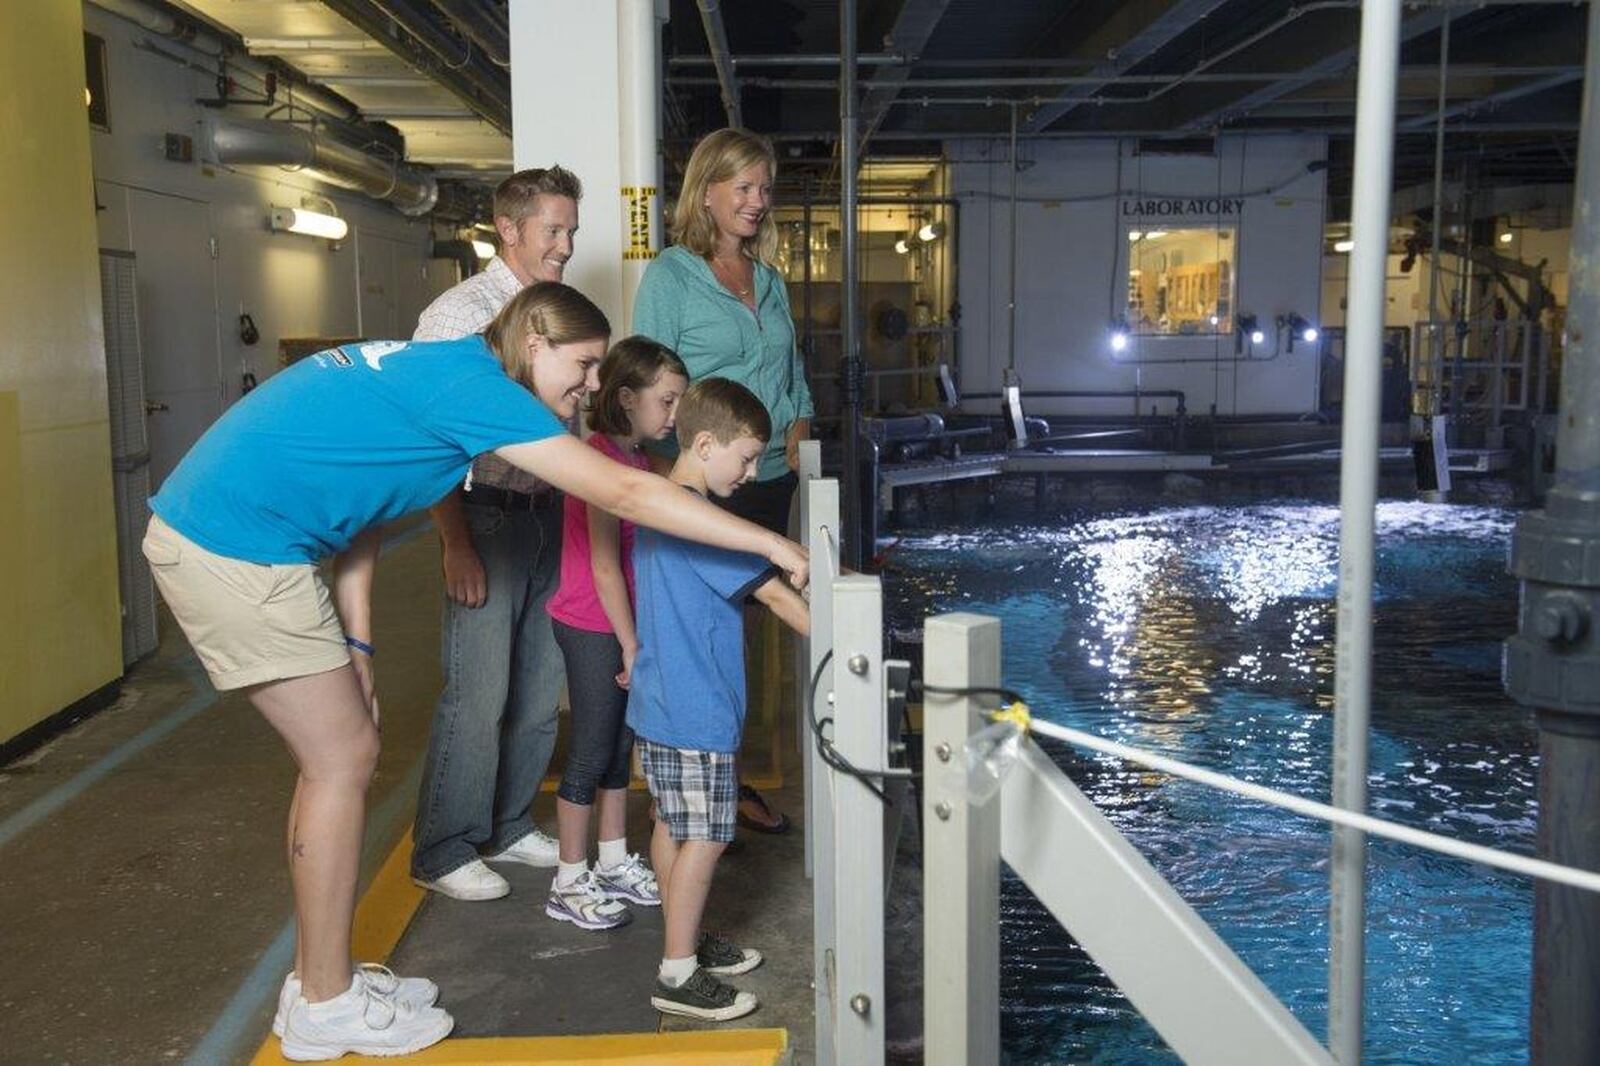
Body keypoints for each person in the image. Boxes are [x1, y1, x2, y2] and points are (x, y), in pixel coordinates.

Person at [142, 283, 806, 1060]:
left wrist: (358, 650)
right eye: (585, 365)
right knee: (342, 761)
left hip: (241, 534)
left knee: (337, 756)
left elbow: (359, 516)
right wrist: (766, 543)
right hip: (235, 544)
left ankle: (319, 981)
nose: (593, 387)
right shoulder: (479, 391)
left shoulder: (443, 370)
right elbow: (625, 490)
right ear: (534, 346)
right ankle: (326, 1001)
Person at [410, 166, 584, 902]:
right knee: (478, 693)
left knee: (540, 688)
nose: (567, 246)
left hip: (552, 515)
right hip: (485, 517)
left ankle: (510, 825)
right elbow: (433, 440)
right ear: (509, 229)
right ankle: (445, 847)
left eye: (572, 231)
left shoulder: (563, 310)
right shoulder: (458, 316)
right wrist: (455, 541)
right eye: (554, 231)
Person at [632, 127, 814, 835]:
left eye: (764, 188)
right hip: (707, 481)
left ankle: (730, 778)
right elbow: (649, 379)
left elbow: (792, 374)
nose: (757, 201)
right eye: (743, 187)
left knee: (753, 630)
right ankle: (708, 790)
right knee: (712, 628)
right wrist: (664, 477)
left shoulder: (769, 280)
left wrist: (799, 426)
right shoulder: (672, 276)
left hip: (767, 474)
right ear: (706, 192)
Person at [626, 378, 811, 1021]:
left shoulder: (666, 505)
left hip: (661, 701)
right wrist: (857, 627)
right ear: (705, 443)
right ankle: (677, 974)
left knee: (671, 827)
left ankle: (684, 937)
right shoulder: (706, 525)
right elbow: (781, 599)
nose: (754, 471)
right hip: (697, 707)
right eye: (748, 457)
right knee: (706, 835)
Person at [543, 337, 689, 931]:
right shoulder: (601, 459)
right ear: (627, 399)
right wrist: (631, 643)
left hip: (619, 620)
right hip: (591, 621)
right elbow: (604, 566)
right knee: (590, 750)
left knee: (618, 751)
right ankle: (568, 880)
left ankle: (609, 860)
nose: (673, 415)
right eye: (667, 401)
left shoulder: (632, 457)